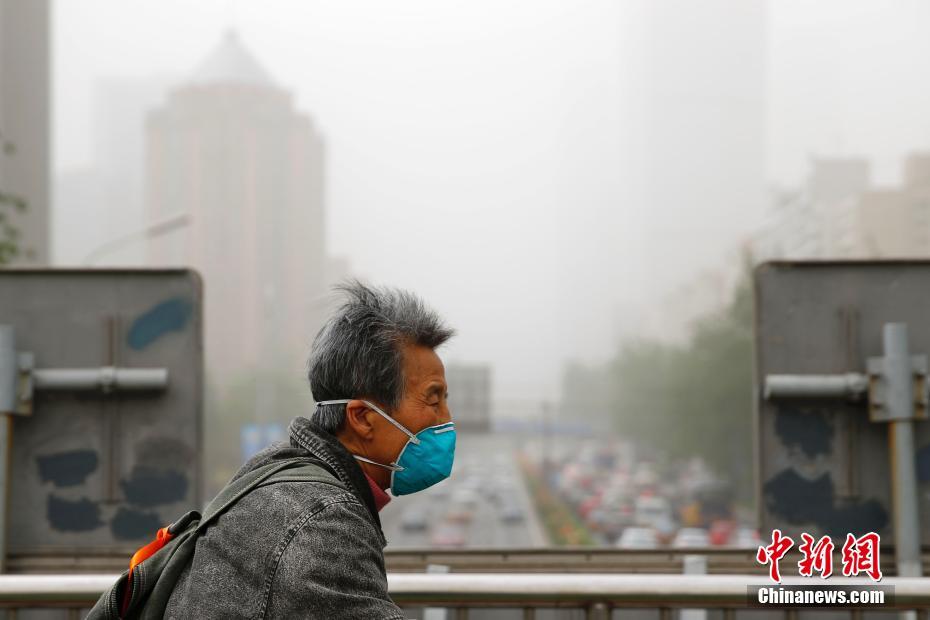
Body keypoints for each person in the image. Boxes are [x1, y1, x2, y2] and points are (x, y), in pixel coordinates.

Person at [164, 281, 455, 618]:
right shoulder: (325, 521)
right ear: (362, 418)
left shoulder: (274, 469)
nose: (445, 419)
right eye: (434, 400)